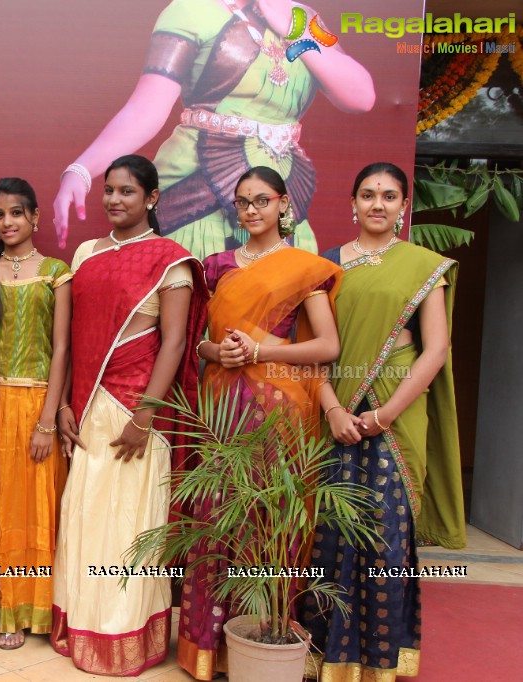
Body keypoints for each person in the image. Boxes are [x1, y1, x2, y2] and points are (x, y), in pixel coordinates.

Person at [301, 162, 466, 681]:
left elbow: (435, 349)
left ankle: (377, 662)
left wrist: (383, 415)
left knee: (386, 538)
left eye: (389, 196)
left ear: (403, 207)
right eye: (368, 194)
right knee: (327, 533)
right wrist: (331, 408)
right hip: (333, 409)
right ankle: (320, 655)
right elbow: (314, 353)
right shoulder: (324, 266)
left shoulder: (422, 266)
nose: (378, 204)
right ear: (352, 203)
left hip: (394, 410)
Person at [53, 0, 375, 259]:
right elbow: (146, 108)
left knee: (279, 321)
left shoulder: (301, 18)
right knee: (199, 318)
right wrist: (82, 169)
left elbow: (361, 97)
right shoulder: (192, 10)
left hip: (280, 194)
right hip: (199, 192)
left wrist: (293, 30)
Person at [180, 165, 341, 679]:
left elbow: (328, 346)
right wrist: (215, 353)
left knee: (267, 524)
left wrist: (261, 347)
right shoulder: (217, 266)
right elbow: (197, 341)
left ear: (283, 203)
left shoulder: (304, 267)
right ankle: (208, 648)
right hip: (224, 403)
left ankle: (262, 642)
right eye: (243, 202)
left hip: (278, 409)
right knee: (217, 519)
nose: (252, 210)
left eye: (262, 200)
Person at [53, 155, 207, 676]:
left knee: (128, 526)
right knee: (87, 518)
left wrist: (145, 414)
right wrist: (67, 403)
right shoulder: (87, 252)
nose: (115, 200)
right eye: (109, 191)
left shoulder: (171, 259)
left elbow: (175, 341)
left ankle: (123, 632)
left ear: (152, 198)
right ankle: (85, 624)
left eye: (127, 192)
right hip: (90, 407)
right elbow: (74, 339)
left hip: (138, 413)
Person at [0, 178, 72, 650]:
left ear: (34, 217)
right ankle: (0, 609)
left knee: (36, 507)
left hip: (37, 405)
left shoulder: (56, 271)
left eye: (16, 213)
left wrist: (49, 419)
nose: (7, 222)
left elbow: (64, 347)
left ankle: (37, 607)